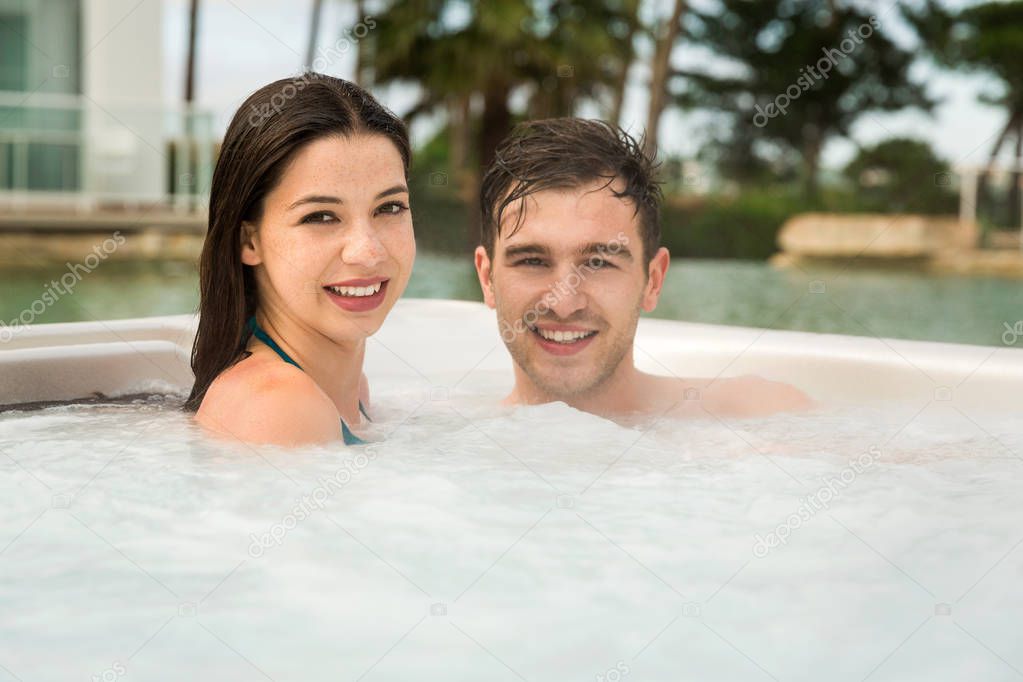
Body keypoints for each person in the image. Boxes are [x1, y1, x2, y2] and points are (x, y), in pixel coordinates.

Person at [473, 118, 811, 420]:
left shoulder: (762, 416)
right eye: (532, 261)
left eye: (599, 263)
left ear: (653, 281)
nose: (564, 302)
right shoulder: (449, 442)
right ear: (487, 278)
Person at [183, 74, 415, 446]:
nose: (368, 251)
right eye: (321, 216)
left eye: (389, 207)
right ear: (249, 241)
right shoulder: (282, 407)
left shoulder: (347, 391)